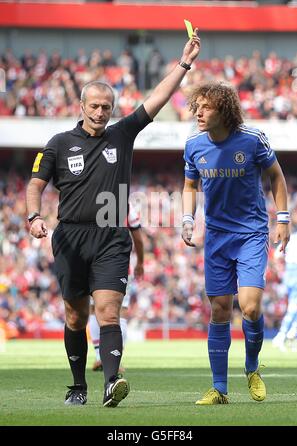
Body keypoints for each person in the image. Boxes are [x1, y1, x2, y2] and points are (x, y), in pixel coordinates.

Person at [26, 31, 201, 408]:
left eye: (107, 106)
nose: (101, 112)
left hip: (111, 238)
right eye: (95, 106)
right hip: (71, 237)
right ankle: (77, 386)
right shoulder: (58, 143)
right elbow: (35, 185)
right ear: (82, 105)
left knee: (108, 312)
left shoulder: (122, 134)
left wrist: (184, 63)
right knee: (75, 317)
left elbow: (156, 98)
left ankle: (111, 383)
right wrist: (33, 215)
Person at [181, 81, 290, 405]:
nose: (199, 112)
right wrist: (188, 220)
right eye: (196, 106)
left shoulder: (252, 140)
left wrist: (283, 218)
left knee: (251, 306)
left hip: (252, 234)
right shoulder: (193, 145)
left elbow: (276, 177)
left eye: (206, 107)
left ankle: (252, 367)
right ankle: (219, 388)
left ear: (224, 111)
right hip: (216, 237)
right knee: (219, 309)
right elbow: (189, 186)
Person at [89, 204, 144, 372]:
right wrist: (140, 262)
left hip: (93, 264)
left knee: (94, 309)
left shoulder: (90, 201)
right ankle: (114, 358)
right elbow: (138, 238)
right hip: (118, 266)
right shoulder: (125, 205)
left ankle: (100, 356)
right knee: (121, 312)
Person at [272, 206, 297, 351]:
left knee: (296, 306)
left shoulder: (292, 238)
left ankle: (292, 333)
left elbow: (277, 255)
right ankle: (282, 335)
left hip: (289, 272)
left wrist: (281, 270)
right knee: (294, 306)